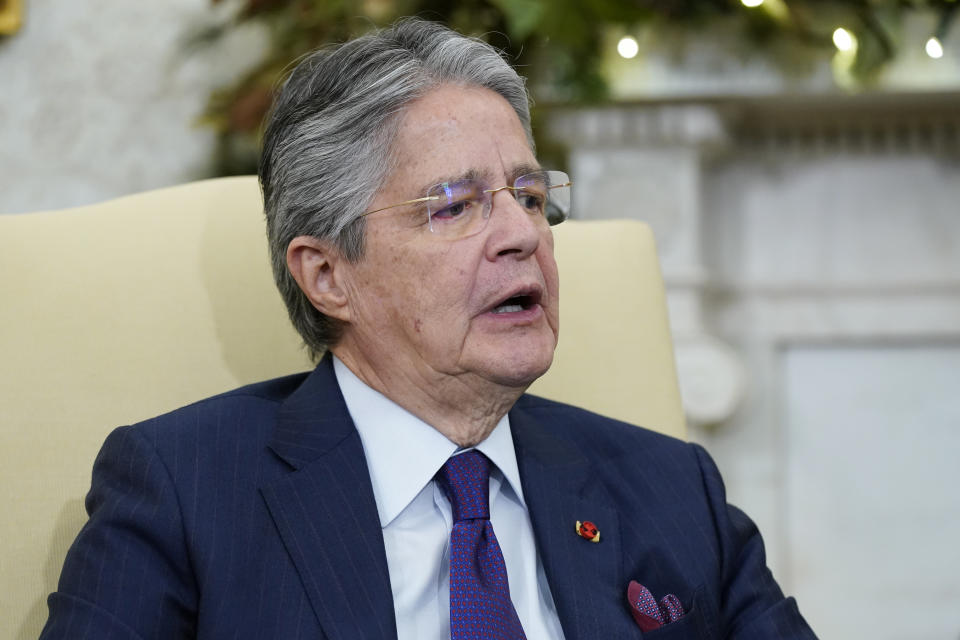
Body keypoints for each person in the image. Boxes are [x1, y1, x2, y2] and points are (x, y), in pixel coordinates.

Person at [40, 18, 816, 640]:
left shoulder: (671, 490)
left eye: (529, 194)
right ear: (327, 275)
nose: (523, 233)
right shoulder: (184, 494)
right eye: (455, 204)